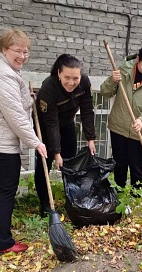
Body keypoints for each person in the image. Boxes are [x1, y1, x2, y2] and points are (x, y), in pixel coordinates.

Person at [0, 28, 47, 254]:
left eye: (26, 52)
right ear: (4, 49)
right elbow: (14, 116)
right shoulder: (2, 74)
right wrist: (36, 142)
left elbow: (14, 101)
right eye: (17, 51)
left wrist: (27, 99)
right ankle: (2, 242)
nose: (22, 56)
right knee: (6, 188)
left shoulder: (5, 68)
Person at [34, 54, 96, 217]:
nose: (71, 82)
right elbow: (51, 123)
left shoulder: (84, 83)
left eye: (75, 78)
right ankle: (45, 203)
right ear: (59, 74)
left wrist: (90, 138)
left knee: (70, 161)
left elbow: (87, 110)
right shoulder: (49, 88)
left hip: (67, 122)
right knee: (44, 164)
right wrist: (56, 153)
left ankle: (72, 197)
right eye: (67, 77)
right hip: (46, 127)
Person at [99, 44, 142, 192]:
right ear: (138, 59)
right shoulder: (123, 71)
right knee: (120, 166)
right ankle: (119, 199)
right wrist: (111, 80)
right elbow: (105, 92)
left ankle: (135, 202)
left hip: (141, 133)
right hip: (119, 128)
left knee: (137, 171)